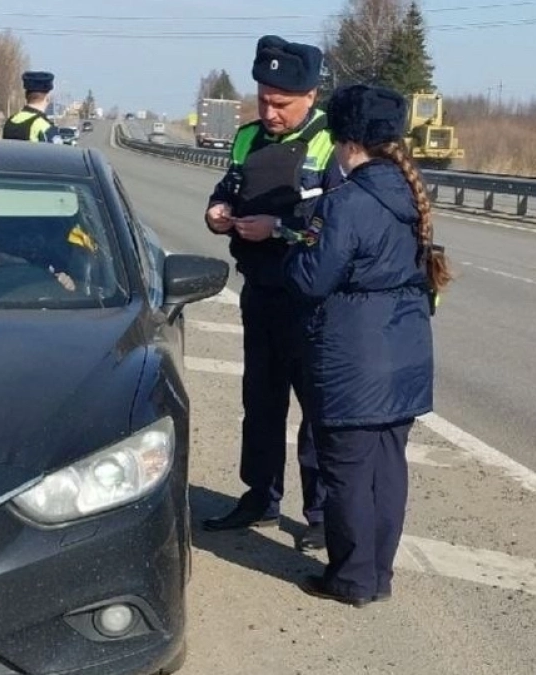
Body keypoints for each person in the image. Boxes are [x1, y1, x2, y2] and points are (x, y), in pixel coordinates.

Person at [283, 84, 453, 607]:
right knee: (388, 468)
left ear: (345, 141)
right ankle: (378, 574)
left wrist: (293, 246)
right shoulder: (410, 193)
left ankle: (353, 580)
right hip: (405, 355)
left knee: (348, 474)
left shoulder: (347, 203)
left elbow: (311, 279)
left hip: (354, 361)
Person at [201, 35, 343, 551]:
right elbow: (229, 187)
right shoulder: (246, 138)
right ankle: (259, 495)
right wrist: (217, 213)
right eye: (263, 99)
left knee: (317, 411)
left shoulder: (335, 141)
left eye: (281, 103)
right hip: (259, 290)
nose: (270, 111)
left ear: (311, 97)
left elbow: (339, 226)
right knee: (260, 402)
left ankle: (323, 515)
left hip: (311, 298)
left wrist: (279, 229)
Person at [2, 71, 62, 143]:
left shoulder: (10, 121)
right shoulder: (44, 126)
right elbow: (57, 153)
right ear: (48, 97)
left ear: (26, 96)